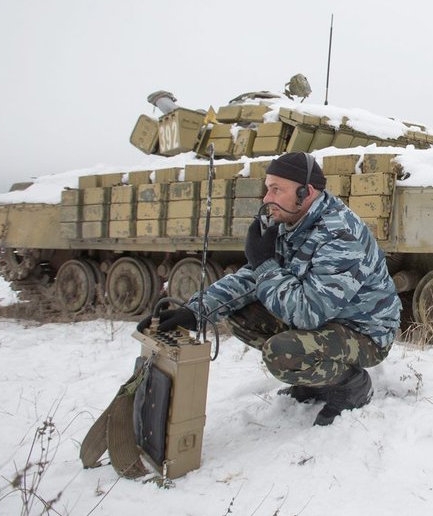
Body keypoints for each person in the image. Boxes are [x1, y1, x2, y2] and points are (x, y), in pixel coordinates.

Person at [137, 152, 401, 426]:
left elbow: (309, 313)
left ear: (305, 192)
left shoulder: (340, 234)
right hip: (330, 320)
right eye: (268, 188)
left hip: (365, 333)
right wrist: (196, 311)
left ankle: (351, 385)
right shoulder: (292, 222)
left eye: (276, 189)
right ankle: (313, 378)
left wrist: (265, 264)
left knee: (282, 352)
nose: (266, 198)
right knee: (240, 314)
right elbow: (252, 279)